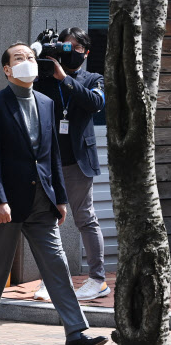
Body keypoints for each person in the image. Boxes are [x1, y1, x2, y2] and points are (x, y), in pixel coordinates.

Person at [0, 42, 108, 345]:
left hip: (41, 201)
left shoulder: (46, 103)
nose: (26, 62)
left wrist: (60, 198)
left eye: (30, 57)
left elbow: (52, 155)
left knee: (57, 265)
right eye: (19, 58)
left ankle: (76, 332)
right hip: (6, 203)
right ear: (7, 69)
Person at [33, 27, 108, 301]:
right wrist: (37, 52)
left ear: (86, 53)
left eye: (76, 47)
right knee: (47, 222)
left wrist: (64, 78)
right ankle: (50, 280)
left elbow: (94, 104)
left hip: (78, 161)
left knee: (85, 219)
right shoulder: (43, 78)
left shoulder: (92, 78)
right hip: (48, 162)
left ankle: (98, 280)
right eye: (65, 46)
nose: (70, 51)